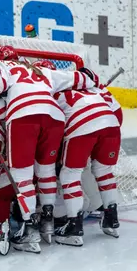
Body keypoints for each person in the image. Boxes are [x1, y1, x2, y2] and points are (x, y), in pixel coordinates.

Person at [0, 46, 98, 253]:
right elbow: (82, 79)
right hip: (54, 117)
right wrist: (89, 76)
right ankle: (48, 220)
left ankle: (30, 228)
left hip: (24, 116)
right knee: (46, 171)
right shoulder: (42, 71)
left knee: (22, 176)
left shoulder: (3, 66)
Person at [53, 68, 121, 246]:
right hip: (111, 124)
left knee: (70, 174)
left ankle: (74, 227)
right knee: (104, 170)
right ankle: (111, 219)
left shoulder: (55, 90)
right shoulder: (98, 90)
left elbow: (54, 127)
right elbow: (119, 115)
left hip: (82, 126)